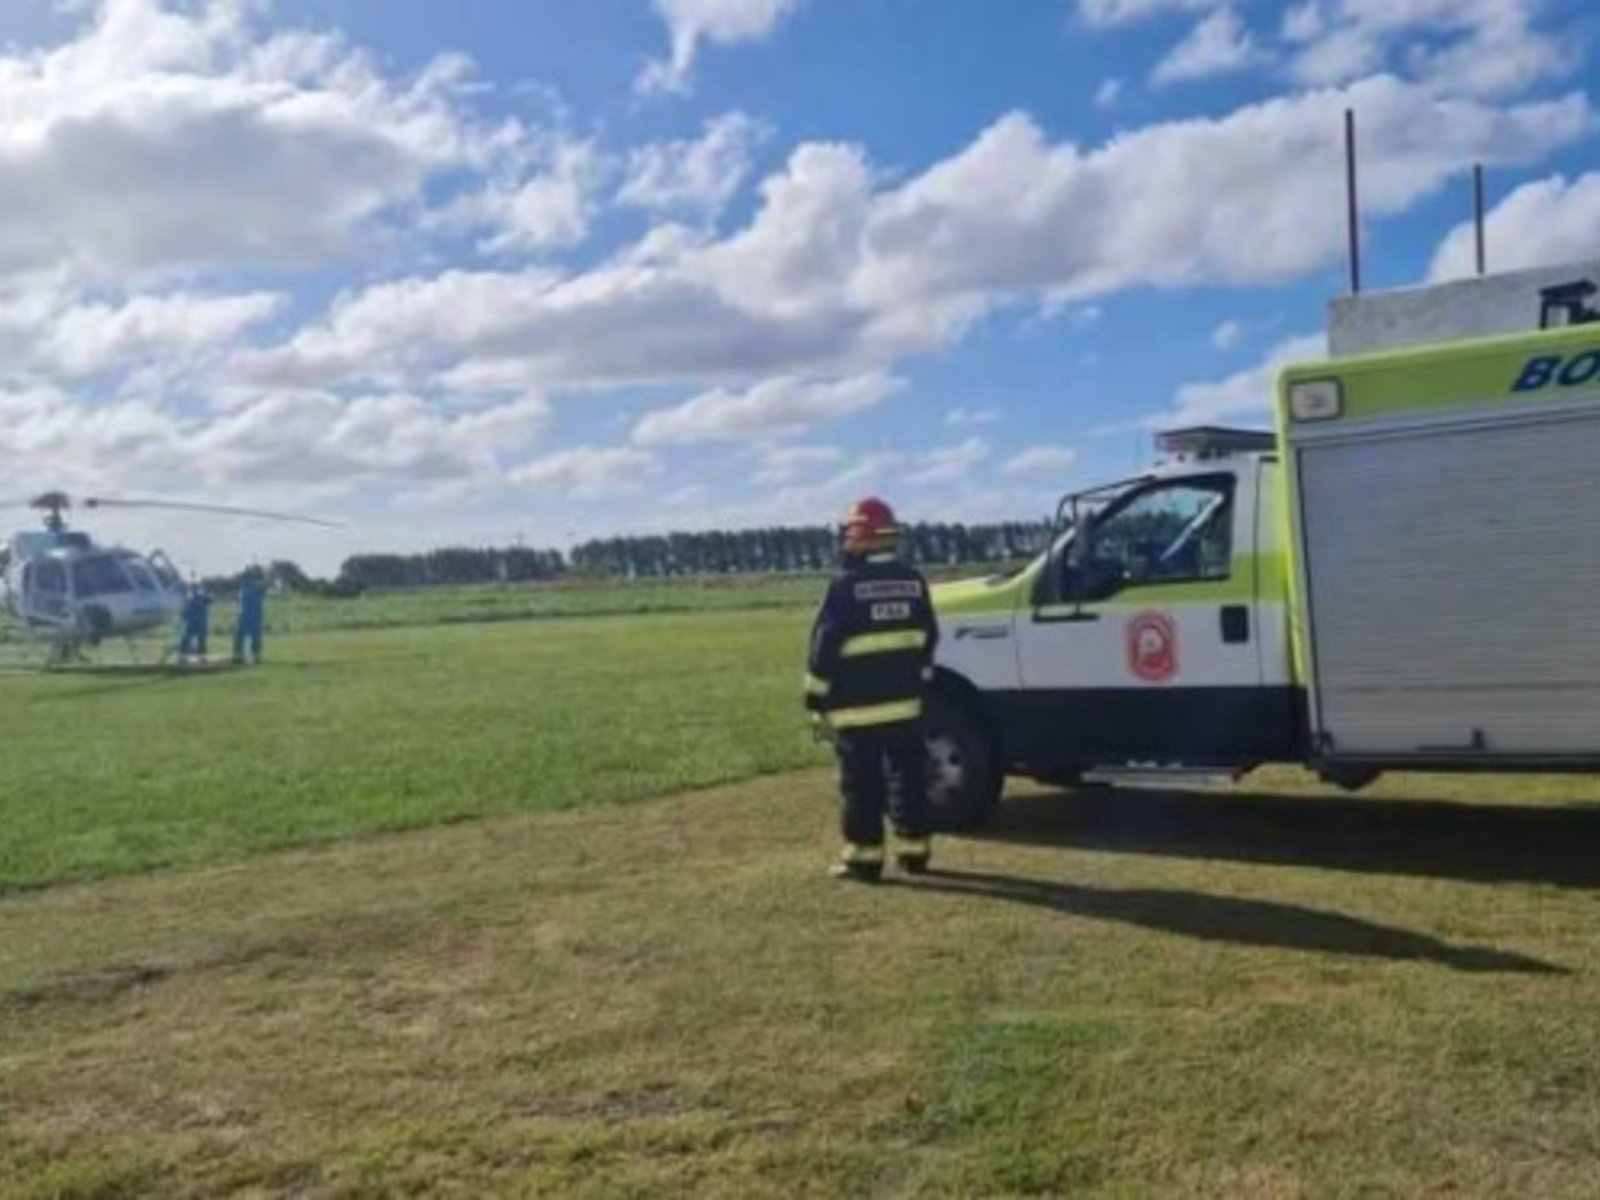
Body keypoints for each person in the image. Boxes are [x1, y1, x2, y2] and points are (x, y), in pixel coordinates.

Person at [804, 496, 940, 882]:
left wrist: (815, 696)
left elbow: (824, 649)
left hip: (856, 711)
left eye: (849, 534)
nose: (845, 541)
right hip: (907, 706)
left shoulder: (845, 586)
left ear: (861, 536)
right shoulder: (913, 581)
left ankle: (863, 859)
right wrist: (920, 682)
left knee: (861, 787)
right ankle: (915, 852)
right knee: (909, 779)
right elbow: (928, 637)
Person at [233, 567, 267, 665]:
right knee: (239, 638)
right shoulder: (243, 588)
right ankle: (238, 657)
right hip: (243, 616)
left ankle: (256, 658)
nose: (242, 580)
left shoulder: (256, 586)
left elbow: (265, 584)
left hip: (254, 617)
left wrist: (264, 573)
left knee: (255, 639)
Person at [177, 583, 212, 661]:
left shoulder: (200, 598)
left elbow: (211, 600)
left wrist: (180, 621)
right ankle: (183, 658)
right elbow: (185, 613)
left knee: (199, 642)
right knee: (186, 641)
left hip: (198, 624)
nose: (193, 591)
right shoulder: (190, 600)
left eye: (194, 589)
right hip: (194, 625)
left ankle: (202, 659)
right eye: (192, 589)